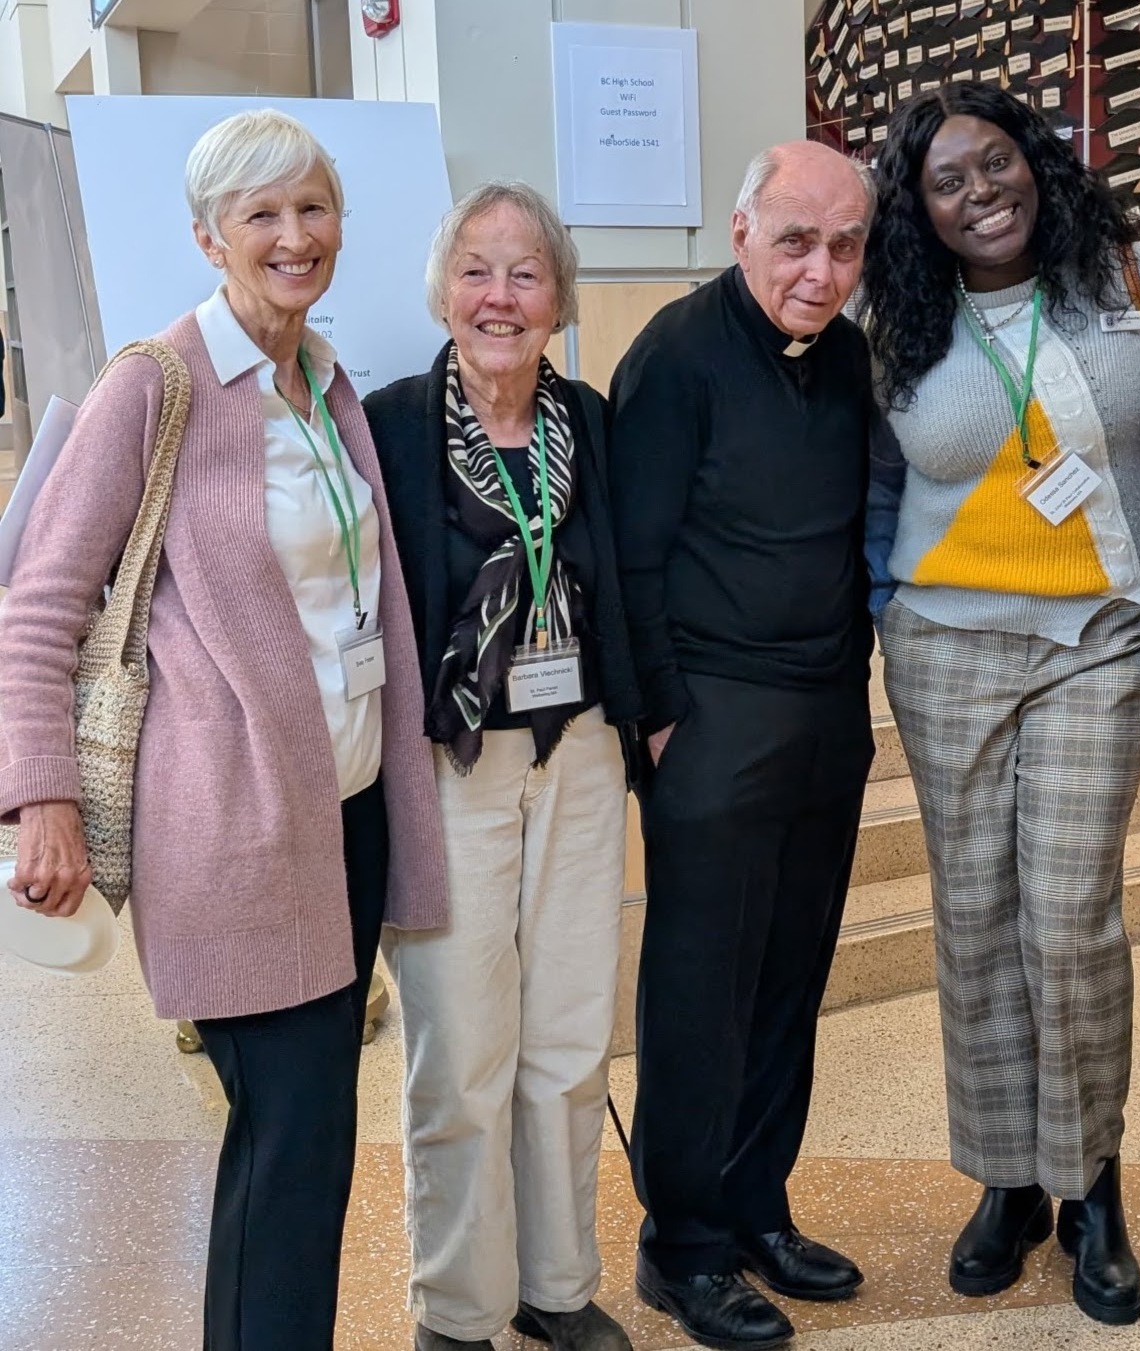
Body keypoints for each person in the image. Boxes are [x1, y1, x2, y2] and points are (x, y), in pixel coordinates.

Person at [0, 109, 447, 1350]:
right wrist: (42, 797)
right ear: (208, 237)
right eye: (261, 215)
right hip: (233, 827)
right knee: (290, 1141)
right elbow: (38, 602)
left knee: (308, 1139)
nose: (294, 236)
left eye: (313, 208)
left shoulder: (325, 382)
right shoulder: (157, 384)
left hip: (345, 811)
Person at [858, 84, 1140, 1326]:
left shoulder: (1131, 279)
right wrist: (879, 606)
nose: (979, 194)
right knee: (973, 916)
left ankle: (1091, 1180)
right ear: (919, 207)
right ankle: (1007, 1178)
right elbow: (871, 478)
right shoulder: (891, 313)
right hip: (944, 641)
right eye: (946, 181)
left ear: (1035, 161)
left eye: (995, 162)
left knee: (1066, 918)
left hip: (1100, 635)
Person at [609, 141, 878, 1351]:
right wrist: (661, 718)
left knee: (788, 979)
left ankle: (757, 1205)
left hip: (824, 713)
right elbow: (632, 556)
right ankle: (683, 1246)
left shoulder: (847, 356)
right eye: (795, 242)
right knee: (699, 991)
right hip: (712, 715)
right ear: (739, 234)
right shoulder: (675, 354)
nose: (820, 271)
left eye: (844, 246)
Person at [364, 181, 640, 1351]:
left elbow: (629, 578)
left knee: (570, 1034)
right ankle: (458, 1305)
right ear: (442, 290)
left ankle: (557, 1285)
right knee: (461, 1043)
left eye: (526, 274)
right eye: (476, 270)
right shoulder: (389, 424)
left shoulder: (591, 419)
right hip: (450, 761)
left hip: (578, 748)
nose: (500, 296)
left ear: (559, 299)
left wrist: (652, 716)